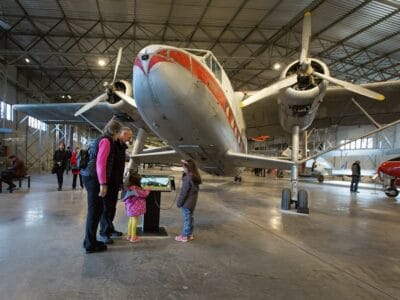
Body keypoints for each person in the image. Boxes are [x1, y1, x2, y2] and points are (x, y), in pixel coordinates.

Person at [81, 119, 122, 254]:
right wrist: (103, 184)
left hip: (90, 176)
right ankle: (90, 244)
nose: (119, 136)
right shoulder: (106, 141)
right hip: (94, 178)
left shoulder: (102, 139)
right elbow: (101, 163)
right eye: (119, 133)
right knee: (95, 211)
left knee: (96, 211)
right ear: (115, 131)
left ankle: (89, 240)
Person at [99, 127, 133, 244]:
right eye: (127, 137)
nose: (128, 140)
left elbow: (119, 166)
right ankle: (104, 232)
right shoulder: (111, 143)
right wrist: (104, 183)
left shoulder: (121, 146)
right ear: (122, 134)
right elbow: (103, 164)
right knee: (105, 208)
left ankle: (110, 229)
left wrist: (120, 182)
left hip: (115, 181)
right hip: (108, 182)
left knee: (112, 207)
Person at [175, 159, 202, 243]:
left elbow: (184, 192)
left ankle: (184, 236)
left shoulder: (188, 178)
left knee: (187, 220)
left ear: (188, 168)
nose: (183, 169)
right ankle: (189, 234)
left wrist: (179, 203)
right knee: (190, 218)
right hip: (192, 203)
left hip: (186, 203)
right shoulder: (194, 176)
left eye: (184, 167)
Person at [123, 173, 150, 243]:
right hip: (135, 209)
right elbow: (144, 194)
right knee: (135, 222)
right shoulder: (136, 189)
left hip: (130, 208)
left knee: (131, 221)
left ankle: (129, 235)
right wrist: (148, 189)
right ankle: (133, 237)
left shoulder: (129, 188)